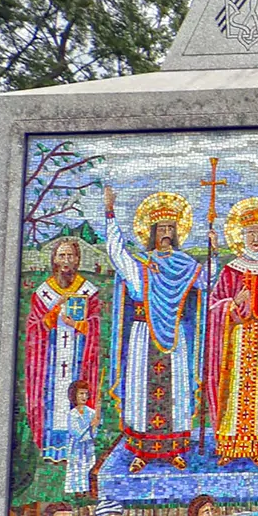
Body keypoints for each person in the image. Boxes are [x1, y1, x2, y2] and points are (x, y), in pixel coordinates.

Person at [105, 188, 205, 472]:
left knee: (175, 392)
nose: (165, 233)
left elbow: (207, 282)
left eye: (170, 228)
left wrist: (214, 248)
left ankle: (174, 449)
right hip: (143, 335)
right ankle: (141, 451)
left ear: (176, 232)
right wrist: (110, 214)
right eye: (160, 227)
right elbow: (116, 253)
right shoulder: (140, 264)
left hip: (173, 337)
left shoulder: (184, 264)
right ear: (152, 231)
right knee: (140, 391)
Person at [204, 197, 258, 466]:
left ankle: (255, 446)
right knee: (232, 393)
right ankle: (228, 446)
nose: (256, 238)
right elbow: (213, 305)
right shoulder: (231, 270)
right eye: (251, 233)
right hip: (235, 341)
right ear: (242, 236)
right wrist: (234, 303)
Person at [22, 236, 101, 462]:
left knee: (77, 393)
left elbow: (95, 324)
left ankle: (78, 447)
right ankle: (51, 449)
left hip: (77, 355)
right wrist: (53, 316)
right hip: (51, 358)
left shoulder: (88, 290)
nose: (66, 261)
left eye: (70, 256)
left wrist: (78, 324)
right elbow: (33, 327)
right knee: (52, 399)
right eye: (61, 255)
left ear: (78, 260)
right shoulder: (43, 292)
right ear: (54, 259)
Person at [63, 379, 99, 497]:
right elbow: (76, 433)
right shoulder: (72, 414)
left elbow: (95, 434)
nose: (84, 397)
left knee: (88, 466)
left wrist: (95, 427)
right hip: (77, 448)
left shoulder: (91, 412)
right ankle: (78, 491)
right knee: (77, 467)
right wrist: (90, 425)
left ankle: (88, 490)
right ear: (74, 395)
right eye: (81, 393)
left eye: (86, 394)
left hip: (88, 447)